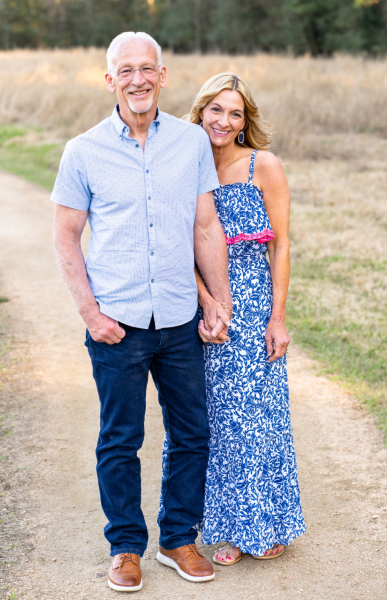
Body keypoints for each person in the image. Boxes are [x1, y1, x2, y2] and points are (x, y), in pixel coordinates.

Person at [51, 32, 232, 592]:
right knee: (120, 437)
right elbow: (64, 236)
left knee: (193, 431)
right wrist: (90, 313)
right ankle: (126, 547)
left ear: (163, 75)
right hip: (117, 326)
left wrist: (218, 301)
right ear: (110, 81)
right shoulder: (83, 150)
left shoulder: (191, 144)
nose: (137, 79)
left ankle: (178, 539)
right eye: (125, 70)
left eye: (146, 68)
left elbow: (205, 227)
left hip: (180, 319)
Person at [190, 73, 306, 564]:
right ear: (200, 111)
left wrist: (277, 317)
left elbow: (280, 244)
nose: (224, 120)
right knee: (206, 417)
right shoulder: (183, 163)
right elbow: (177, 244)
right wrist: (206, 300)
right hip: (199, 306)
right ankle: (214, 523)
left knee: (255, 416)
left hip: (255, 305)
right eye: (216, 109)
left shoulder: (264, 165)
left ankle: (255, 525)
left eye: (235, 112)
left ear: (245, 120)